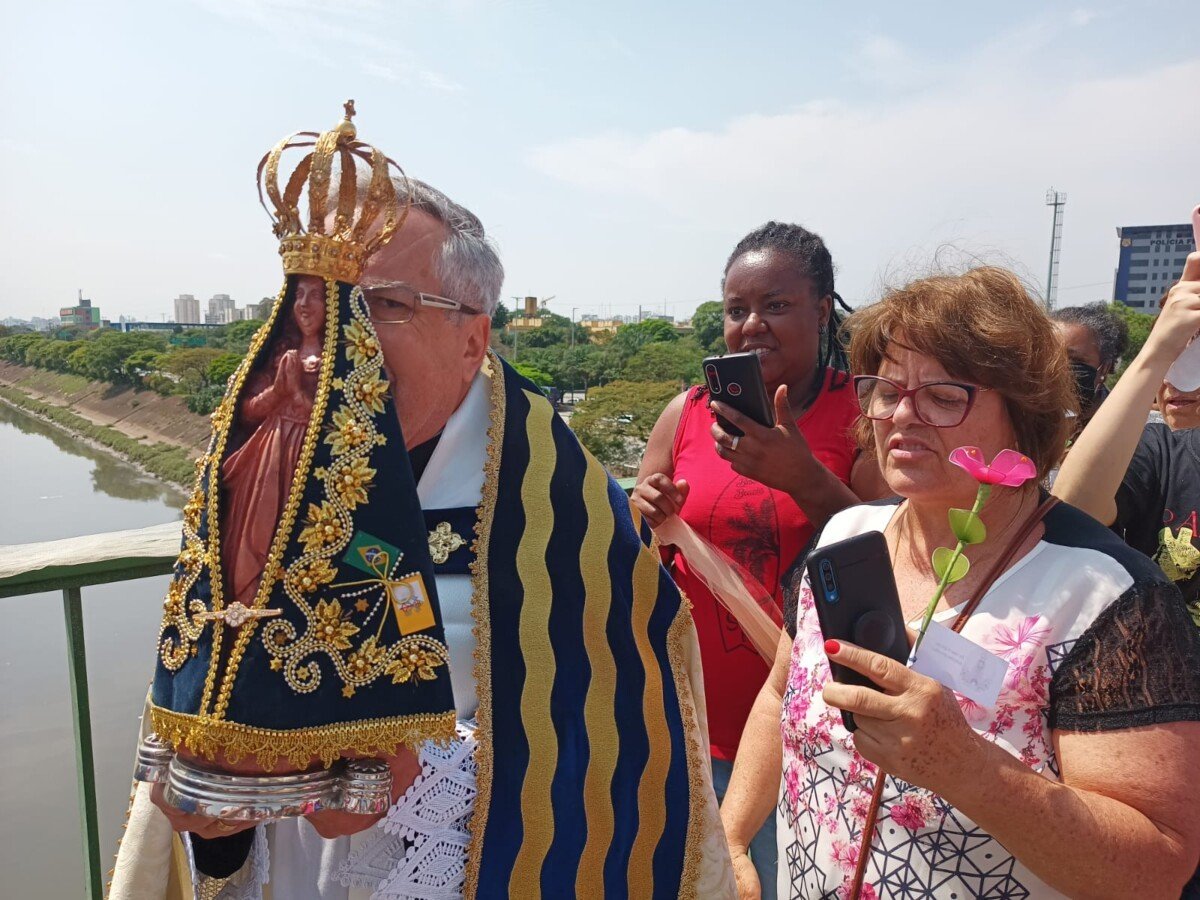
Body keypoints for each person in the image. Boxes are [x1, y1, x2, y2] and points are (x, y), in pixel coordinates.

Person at [110, 176, 736, 900]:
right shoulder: (267, 467)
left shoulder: (556, 499)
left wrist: (413, 770)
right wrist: (215, 814)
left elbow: (608, 753)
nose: (341, 339)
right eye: (325, 305)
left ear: (473, 337)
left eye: (380, 305)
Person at [720, 266, 1200, 899]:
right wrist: (731, 835)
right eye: (887, 389)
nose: (902, 416)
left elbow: (1157, 868)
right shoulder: (845, 538)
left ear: (1023, 416)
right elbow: (783, 690)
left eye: (945, 397)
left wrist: (969, 768)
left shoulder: (1102, 599)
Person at [633, 222, 886, 899]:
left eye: (775, 306)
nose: (751, 326)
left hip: (806, 738)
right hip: (687, 727)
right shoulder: (685, 413)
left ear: (821, 310)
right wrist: (647, 507)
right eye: (736, 309)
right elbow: (636, 538)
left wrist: (802, 475)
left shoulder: (862, 412)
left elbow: (896, 554)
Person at [1054, 256, 1200, 615]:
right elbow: (1072, 509)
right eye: (1175, 353)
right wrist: (1156, 353)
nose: (1175, 380)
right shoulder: (1158, 452)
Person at [222, 274, 326, 605]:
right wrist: (279, 391)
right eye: (299, 295)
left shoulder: (343, 358)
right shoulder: (281, 350)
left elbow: (345, 422)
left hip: (313, 461)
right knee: (253, 540)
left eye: (316, 296)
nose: (304, 305)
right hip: (268, 455)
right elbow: (248, 411)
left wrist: (297, 396)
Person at [1050, 302, 1129, 427]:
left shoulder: (1135, 427)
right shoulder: (1023, 422)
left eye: (1073, 359)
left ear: (1104, 368)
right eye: (1048, 357)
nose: (1056, 369)